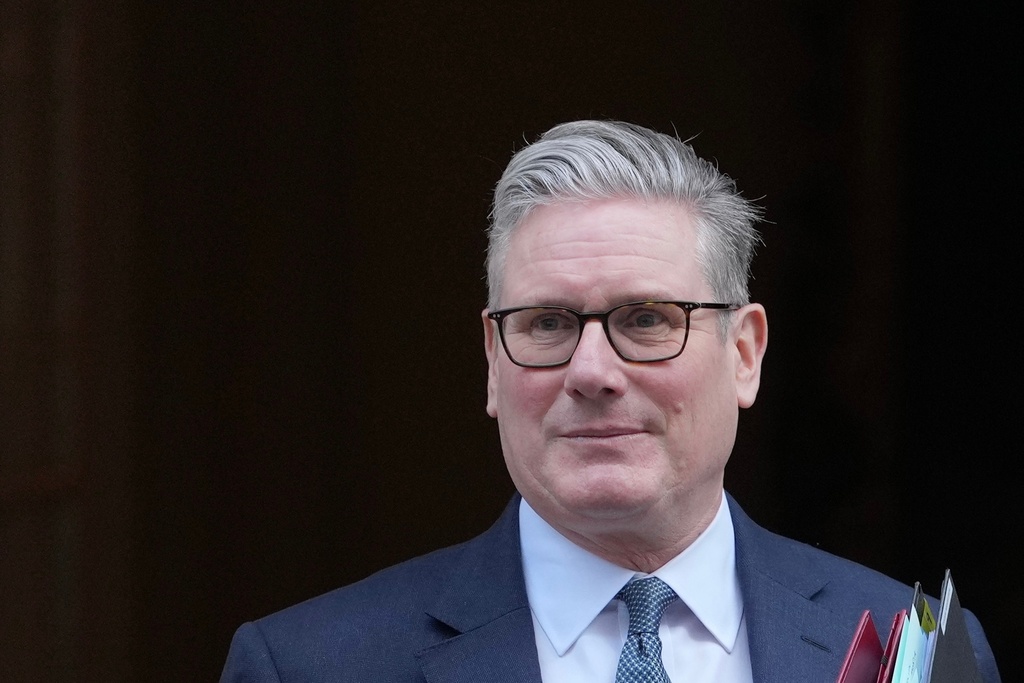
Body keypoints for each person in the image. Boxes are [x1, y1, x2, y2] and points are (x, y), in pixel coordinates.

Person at [220, 120, 1001, 682]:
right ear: (493, 363)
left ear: (744, 353)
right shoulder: (311, 664)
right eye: (548, 323)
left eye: (647, 318)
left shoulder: (921, 648)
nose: (591, 370)